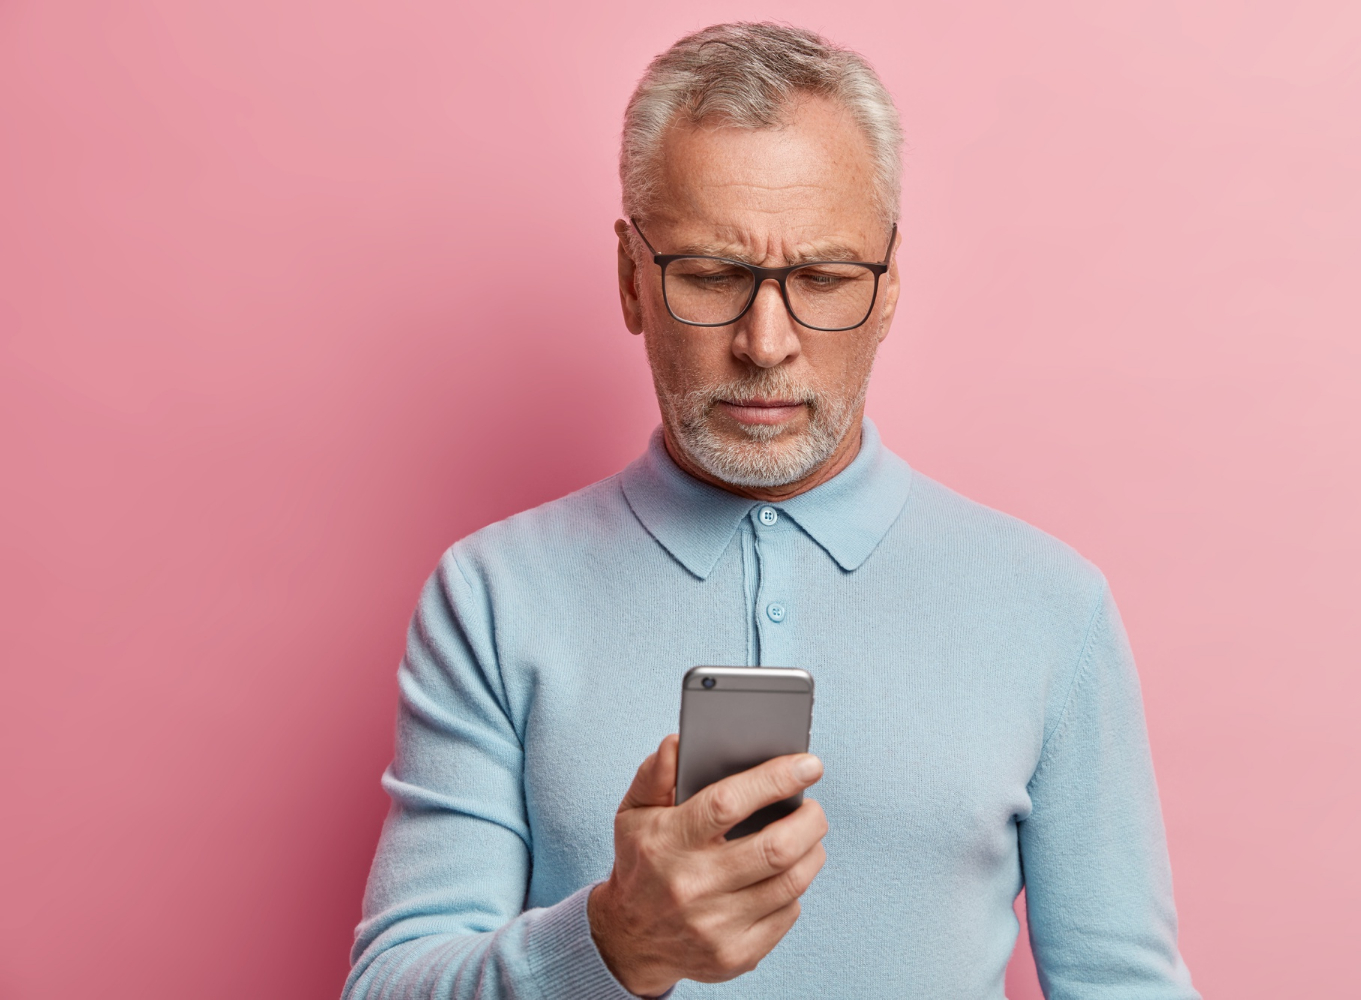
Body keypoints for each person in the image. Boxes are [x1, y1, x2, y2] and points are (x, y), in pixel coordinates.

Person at [343, 22, 1198, 1000]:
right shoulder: (492, 597)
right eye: (712, 275)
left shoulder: (1053, 608)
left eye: (824, 278)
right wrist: (611, 942)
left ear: (888, 288)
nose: (765, 341)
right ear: (632, 278)